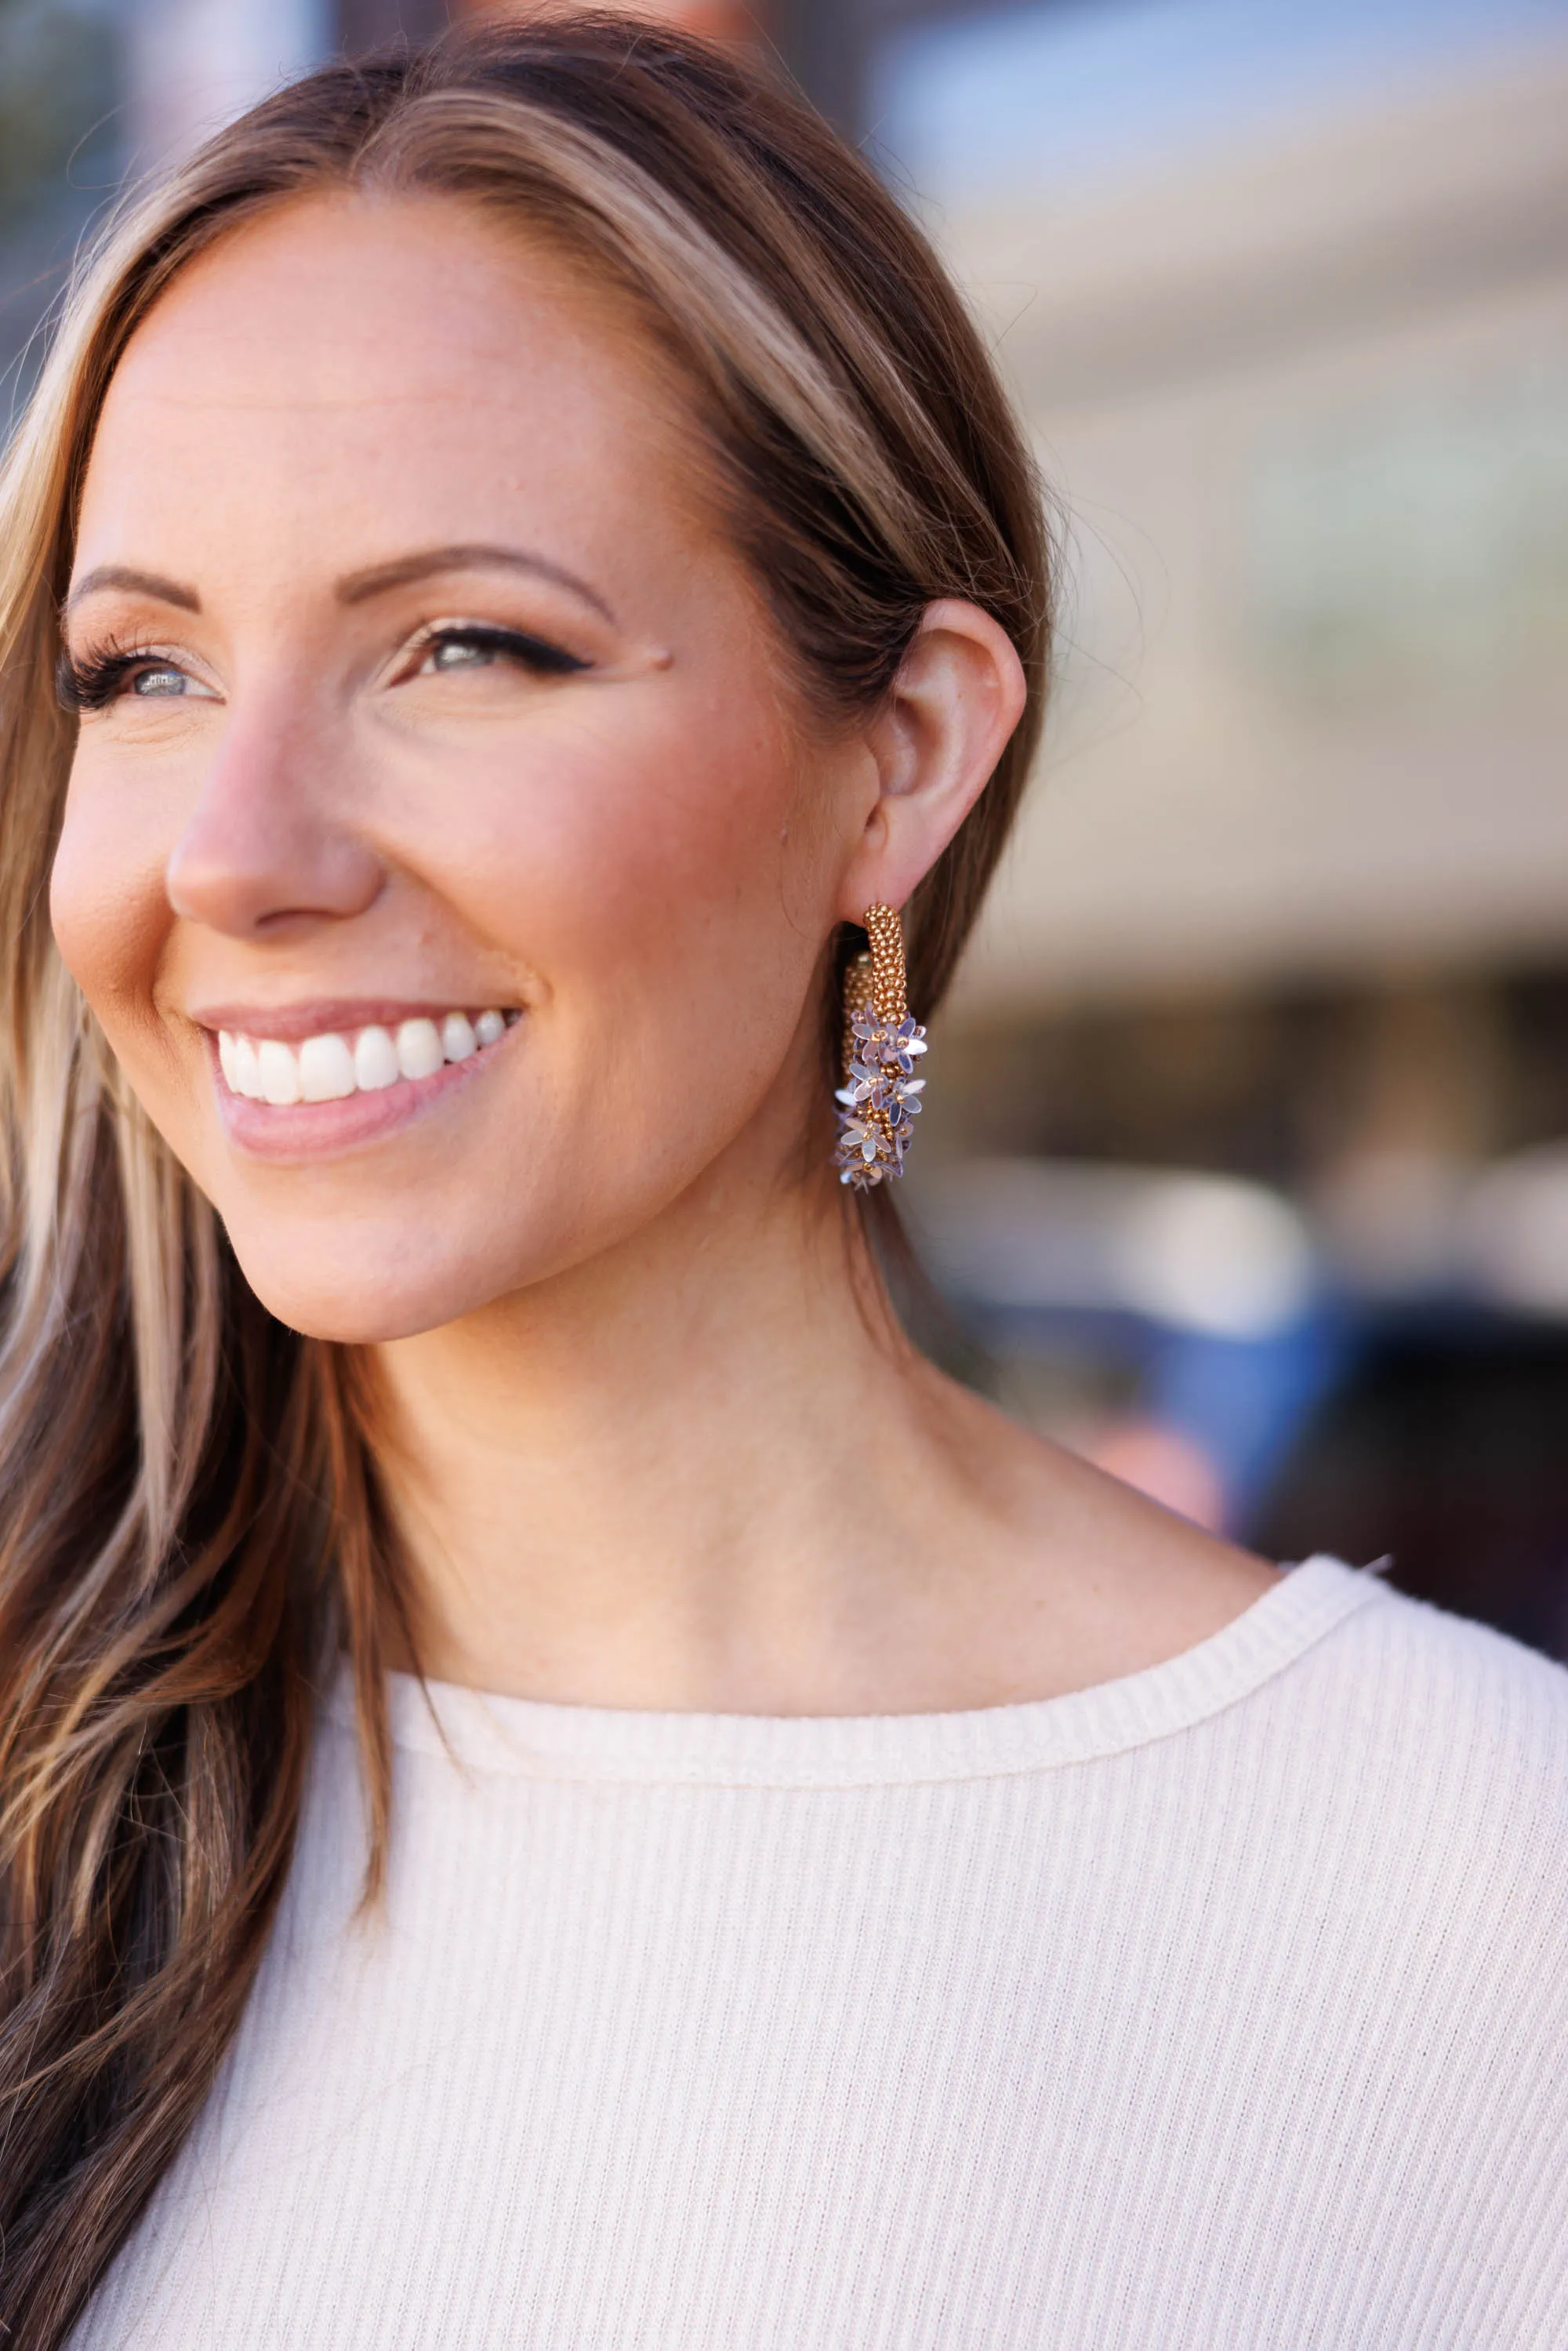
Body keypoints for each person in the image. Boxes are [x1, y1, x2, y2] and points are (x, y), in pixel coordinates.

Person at [0, 15, 1563, 2349]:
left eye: (465, 645)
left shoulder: (1479, 1895)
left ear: (901, 754)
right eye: (142, 672)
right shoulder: (40, 1797)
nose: (235, 851)